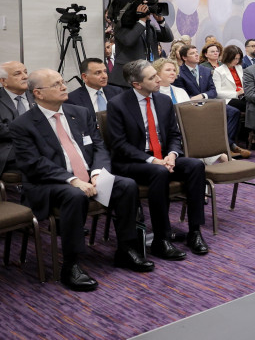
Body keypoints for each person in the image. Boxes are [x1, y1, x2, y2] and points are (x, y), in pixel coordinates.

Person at [11, 68, 153, 291]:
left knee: (126, 185)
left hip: (89, 178)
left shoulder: (80, 112)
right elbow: (34, 164)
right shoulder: (23, 124)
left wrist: (97, 173)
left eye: (62, 81)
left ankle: (126, 249)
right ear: (38, 93)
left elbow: (99, 147)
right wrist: (72, 180)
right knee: (74, 195)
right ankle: (71, 265)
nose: (64, 86)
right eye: (56, 84)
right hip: (49, 184)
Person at [107, 60, 209, 259]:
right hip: (133, 162)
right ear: (137, 84)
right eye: (152, 77)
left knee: (196, 165)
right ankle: (162, 239)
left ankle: (194, 231)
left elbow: (173, 134)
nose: (159, 79)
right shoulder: (118, 104)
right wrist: (152, 160)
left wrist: (172, 154)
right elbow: (119, 145)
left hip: (163, 157)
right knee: (159, 171)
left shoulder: (162, 100)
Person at [174, 45, 247, 157]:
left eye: (196, 52)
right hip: (190, 105)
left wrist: (202, 95)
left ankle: (226, 144)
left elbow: (213, 91)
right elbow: (180, 93)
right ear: (184, 57)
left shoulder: (206, 70)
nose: (196, 55)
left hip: (208, 102)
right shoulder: (179, 73)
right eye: (192, 53)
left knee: (233, 112)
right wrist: (193, 99)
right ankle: (229, 147)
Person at [153, 59, 229, 164]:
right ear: (157, 73)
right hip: (168, 130)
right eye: (168, 70)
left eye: (174, 70)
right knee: (194, 132)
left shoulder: (180, 91)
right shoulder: (153, 93)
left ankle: (216, 159)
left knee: (201, 127)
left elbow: (190, 113)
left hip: (186, 127)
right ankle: (222, 158)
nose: (172, 73)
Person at [108, 0, 173, 86]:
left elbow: (168, 38)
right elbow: (128, 40)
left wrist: (161, 21)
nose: (148, 11)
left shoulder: (150, 27)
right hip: (126, 79)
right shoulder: (121, 26)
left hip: (148, 76)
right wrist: (142, 20)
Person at [1, 61, 34, 176]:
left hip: (45, 148)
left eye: (25, 72)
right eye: (17, 74)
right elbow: (3, 131)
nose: (25, 76)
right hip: (12, 152)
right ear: (3, 81)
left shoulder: (38, 95)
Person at [213, 45, 248, 115]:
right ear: (228, 57)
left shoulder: (239, 68)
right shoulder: (218, 71)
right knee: (250, 106)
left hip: (242, 96)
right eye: (234, 58)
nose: (237, 61)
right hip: (228, 99)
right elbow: (217, 93)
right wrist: (237, 93)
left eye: (238, 59)